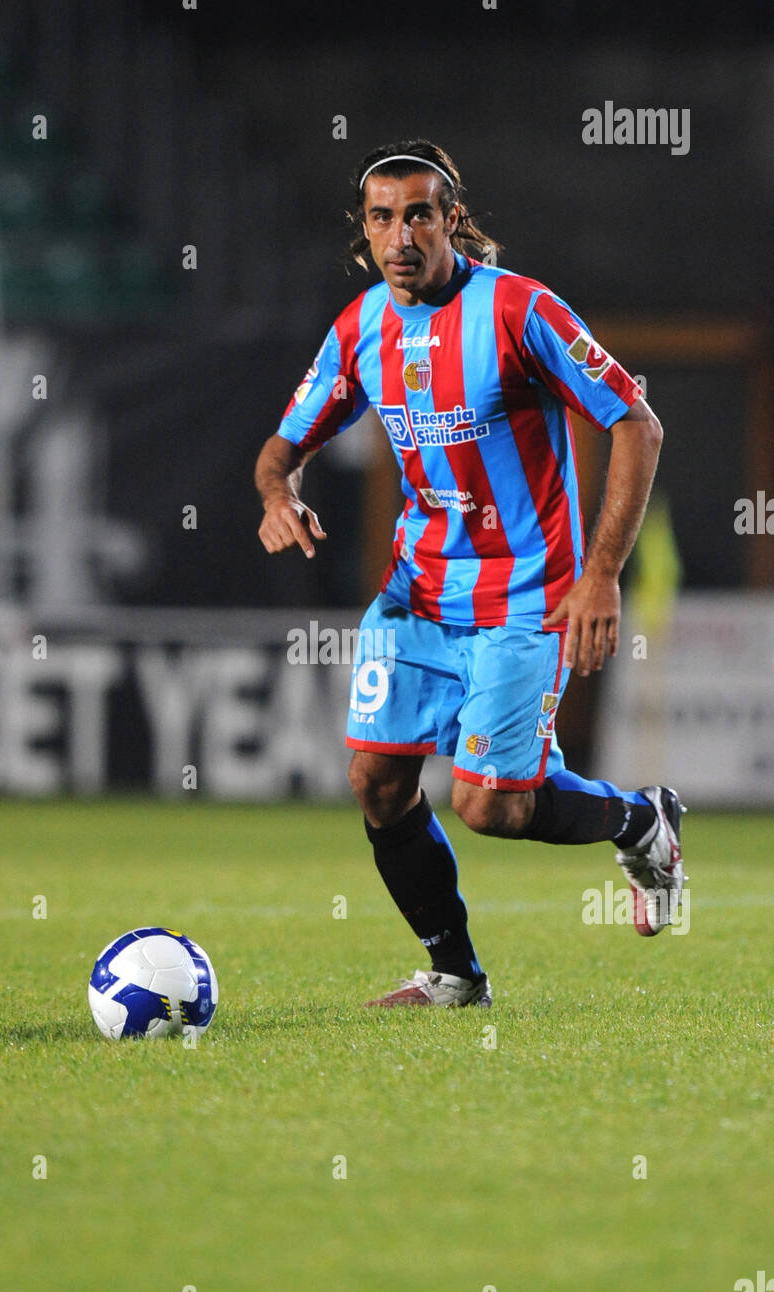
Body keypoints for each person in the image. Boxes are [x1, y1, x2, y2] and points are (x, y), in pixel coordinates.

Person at [254, 138, 684, 1008]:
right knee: (377, 782)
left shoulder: (520, 312)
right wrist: (275, 492)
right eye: (382, 217)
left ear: (451, 219)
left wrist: (600, 575)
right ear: (365, 230)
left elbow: (636, 424)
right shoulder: (359, 328)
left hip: (525, 599)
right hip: (415, 596)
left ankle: (642, 821)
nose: (400, 233)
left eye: (418, 213)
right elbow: (280, 447)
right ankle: (454, 975)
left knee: (493, 808)